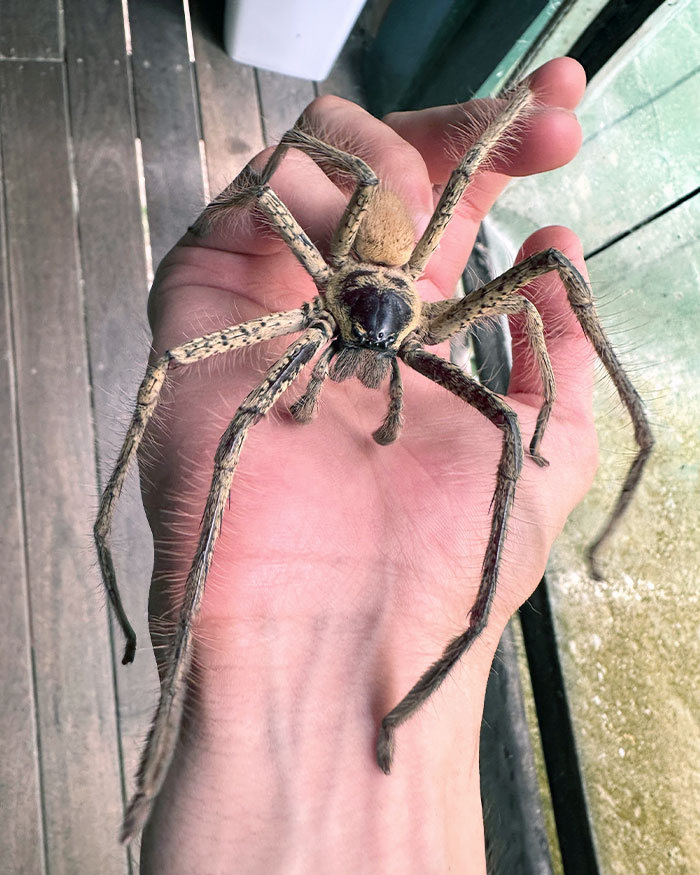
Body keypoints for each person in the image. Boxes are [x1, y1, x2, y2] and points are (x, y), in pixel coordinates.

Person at [138, 57, 597, 873]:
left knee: (500, 410)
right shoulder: (314, 293)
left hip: (402, 291)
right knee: (239, 421)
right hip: (343, 273)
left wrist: (548, 427)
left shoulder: (433, 317)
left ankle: (413, 702)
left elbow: (534, 299)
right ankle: (160, 723)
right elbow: (270, 190)